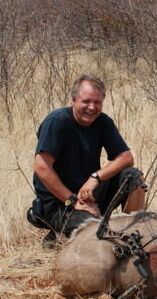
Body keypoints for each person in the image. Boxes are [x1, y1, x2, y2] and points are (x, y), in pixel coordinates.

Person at [26, 75, 146, 246]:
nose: (92, 107)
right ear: (74, 100)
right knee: (96, 232)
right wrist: (73, 201)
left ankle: (132, 232)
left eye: (97, 102)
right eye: (86, 101)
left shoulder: (102, 121)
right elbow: (41, 167)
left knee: (134, 178)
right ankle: (58, 235)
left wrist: (95, 178)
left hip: (89, 195)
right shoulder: (57, 121)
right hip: (60, 203)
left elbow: (126, 158)